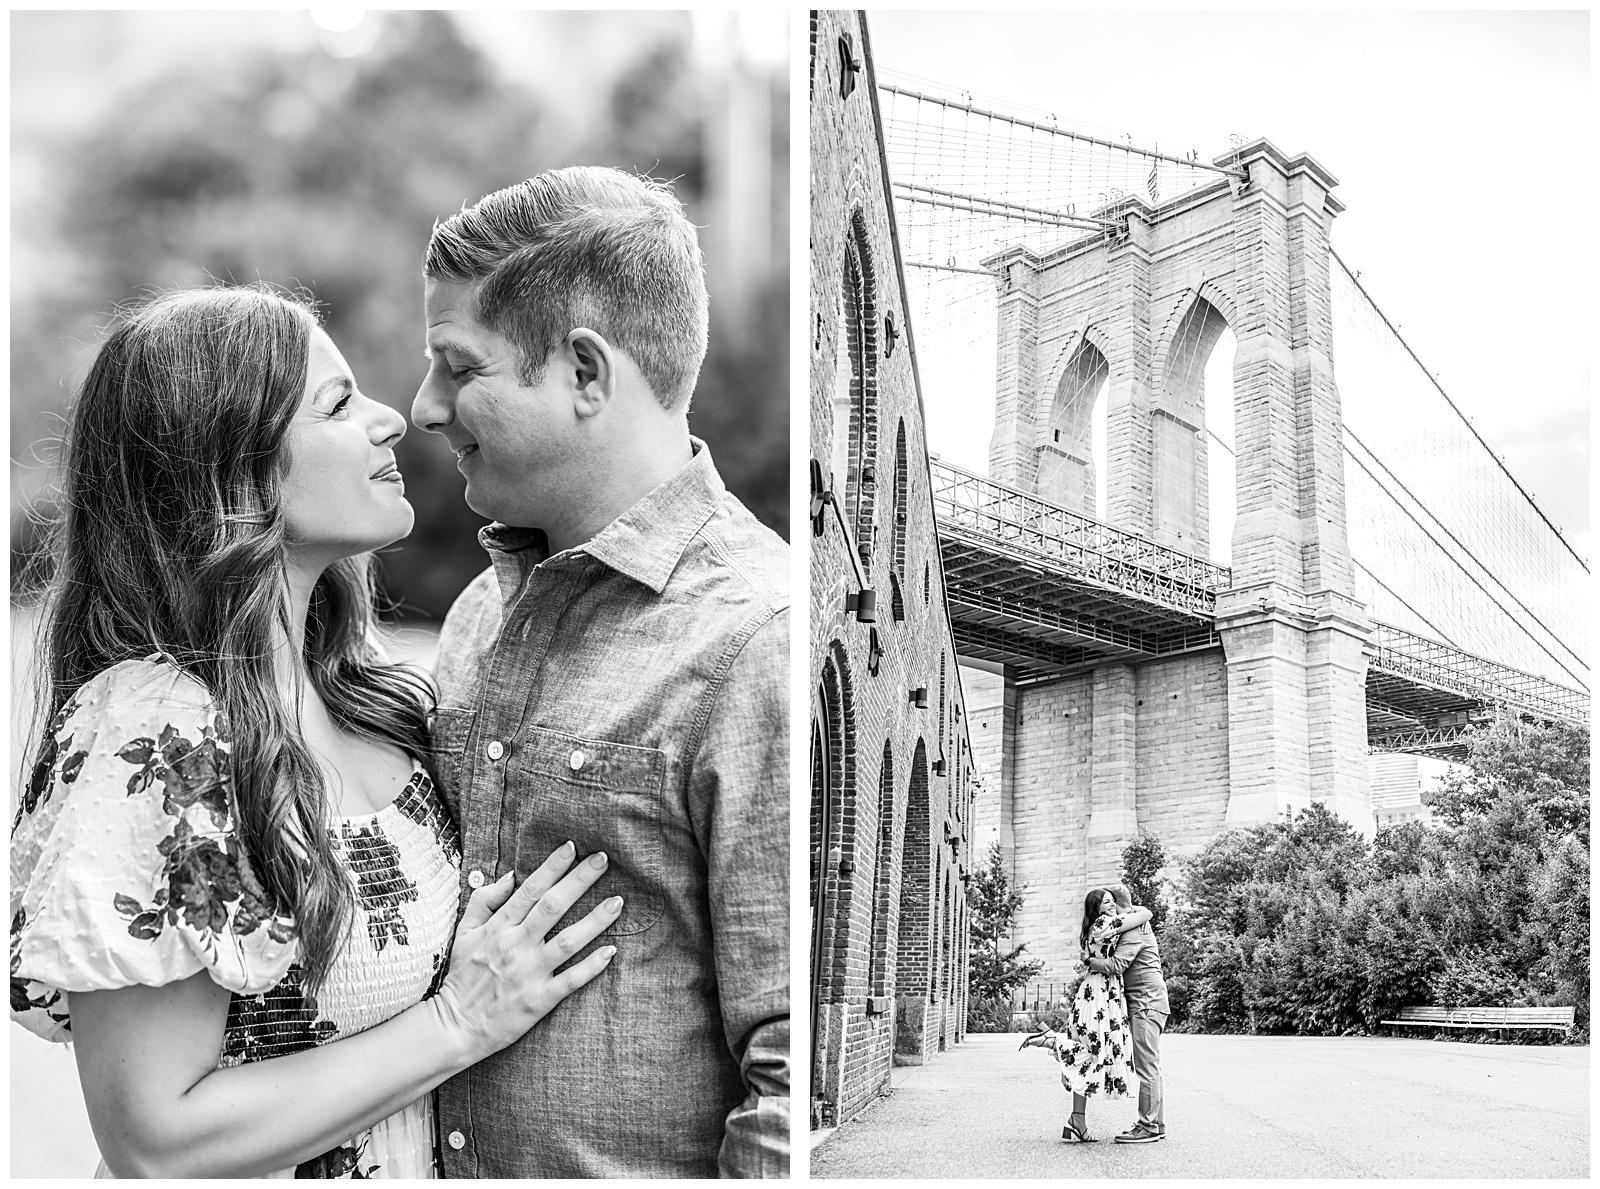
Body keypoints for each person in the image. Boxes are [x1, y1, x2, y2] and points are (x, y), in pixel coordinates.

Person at [9, 286, 620, 1179]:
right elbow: (152, 1140)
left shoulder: (369, 694)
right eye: (338, 403)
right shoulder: (162, 730)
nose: (391, 421)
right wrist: (458, 1021)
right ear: (234, 469)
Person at [411, 165, 790, 1178]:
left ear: (585, 372)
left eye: (457, 366)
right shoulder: (478, 612)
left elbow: (787, 1075)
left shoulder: (760, 638)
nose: (424, 407)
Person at [1019, 888, 1151, 1143]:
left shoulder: (1097, 925)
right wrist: (1131, 908)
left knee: (1088, 1054)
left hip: (1099, 990)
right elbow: (1147, 914)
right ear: (1097, 908)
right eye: (1107, 902)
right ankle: (1052, 1042)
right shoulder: (1105, 923)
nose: (1112, 905)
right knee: (1092, 1052)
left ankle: (1077, 1119)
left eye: (1113, 901)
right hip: (1100, 994)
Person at [1087, 882, 1170, 1144]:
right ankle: (1156, 1123)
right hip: (1148, 1001)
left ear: (1121, 907)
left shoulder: (1132, 926)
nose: (1109, 913)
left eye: (1111, 905)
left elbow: (1119, 964)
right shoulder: (1137, 919)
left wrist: (1089, 961)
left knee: (1147, 1067)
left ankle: (1148, 1127)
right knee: (1151, 1066)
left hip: (1146, 1002)